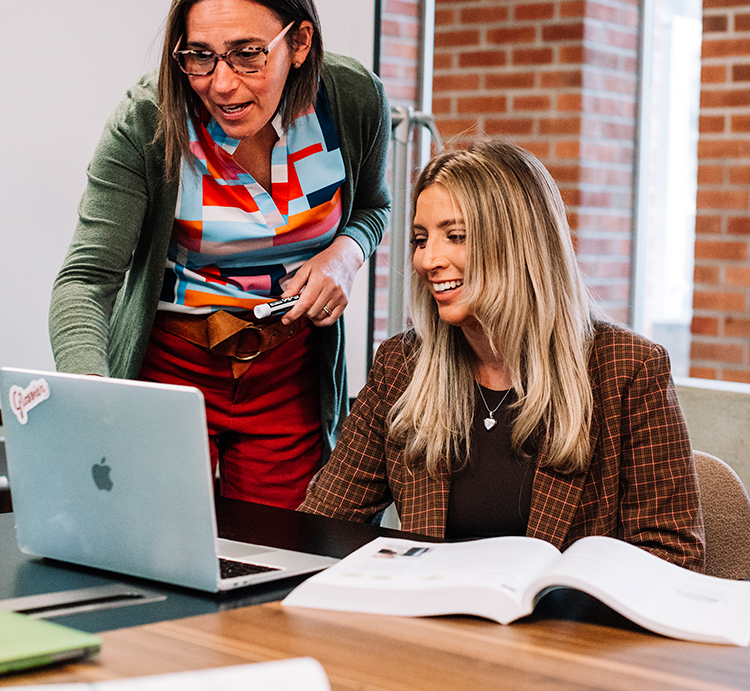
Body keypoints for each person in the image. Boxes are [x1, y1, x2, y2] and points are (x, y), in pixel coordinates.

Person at [50, 0, 390, 509]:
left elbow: (373, 207)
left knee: (280, 563)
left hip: (287, 377)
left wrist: (346, 254)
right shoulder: (148, 120)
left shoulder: (351, 100)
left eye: (248, 53)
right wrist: (96, 398)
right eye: (200, 55)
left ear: (300, 42)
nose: (222, 83)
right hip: (169, 374)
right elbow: (85, 279)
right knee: (152, 550)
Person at [301, 140, 705, 571]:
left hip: (563, 630)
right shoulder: (402, 365)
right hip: (429, 621)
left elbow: (673, 553)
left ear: (520, 243)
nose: (428, 259)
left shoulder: (629, 370)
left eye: (455, 236)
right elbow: (324, 523)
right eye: (421, 239)